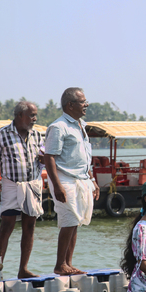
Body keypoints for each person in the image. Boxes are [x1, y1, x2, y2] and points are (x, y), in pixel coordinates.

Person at [44, 87, 100, 276]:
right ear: (70, 105)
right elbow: (49, 157)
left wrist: (93, 180)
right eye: (82, 101)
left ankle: (68, 263)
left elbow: (84, 157)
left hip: (81, 178)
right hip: (64, 178)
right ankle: (60, 264)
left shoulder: (80, 125)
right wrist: (57, 185)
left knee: (75, 221)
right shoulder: (59, 127)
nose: (86, 105)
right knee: (69, 220)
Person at [0, 101, 44, 279]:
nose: (34, 119)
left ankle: (23, 269)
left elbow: (42, 159)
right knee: (7, 226)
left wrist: (44, 159)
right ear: (20, 115)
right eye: (31, 115)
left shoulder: (36, 135)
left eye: (35, 115)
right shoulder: (2, 134)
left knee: (30, 226)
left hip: (32, 184)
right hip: (12, 184)